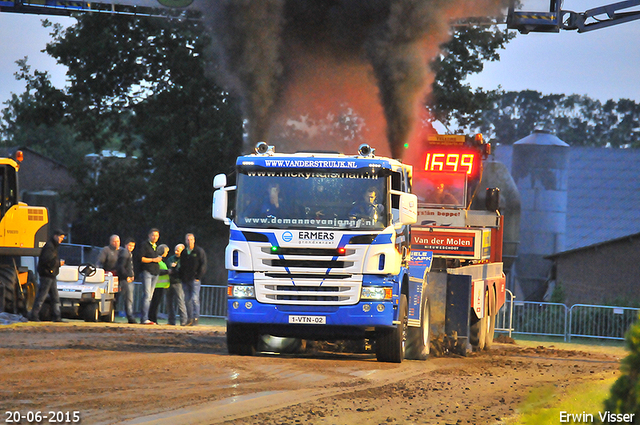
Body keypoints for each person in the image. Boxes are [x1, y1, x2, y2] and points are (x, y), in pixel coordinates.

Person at [29, 229, 66, 322]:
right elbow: (47, 260)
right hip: (47, 275)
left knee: (54, 297)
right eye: (61, 237)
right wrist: (58, 263)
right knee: (42, 296)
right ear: (55, 236)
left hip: (50, 274)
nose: (61, 239)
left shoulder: (52, 246)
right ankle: (34, 315)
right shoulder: (50, 247)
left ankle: (56, 316)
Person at [180, 233, 207, 326]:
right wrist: (181, 277)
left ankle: (196, 318)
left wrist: (198, 277)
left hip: (194, 279)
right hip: (185, 279)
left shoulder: (199, 251)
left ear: (194, 240)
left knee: (194, 299)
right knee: (187, 299)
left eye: (191, 239)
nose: (189, 241)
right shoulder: (183, 252)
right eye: (187, 239)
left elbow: (203, 265)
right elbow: (182, 266)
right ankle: (189, 318)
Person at [139, 228, 163, 325]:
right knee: (147, 295)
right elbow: (141, 258)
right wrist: (153, 260)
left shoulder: (156, 246)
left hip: (155, 273)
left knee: (150, 296)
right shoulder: (144, 245)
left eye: (157, 236)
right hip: (147, 271)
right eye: (153, 235)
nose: (155, 237)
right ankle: (144, 318)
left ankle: (148, 317)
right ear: (149, 235)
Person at [116, 237, 136, 324]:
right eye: (129, 245)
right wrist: (127, 276)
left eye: (133, 246)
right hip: (125, 280)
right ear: (125, 245)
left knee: (124, 298)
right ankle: (130, 317)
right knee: (128, 298)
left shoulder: (128, 253)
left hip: (127, 278)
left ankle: (130, 316)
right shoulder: (125, 253)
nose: (131, 247)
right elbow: (121, 267)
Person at [166, 243, 188, 326]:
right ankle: (171, 320)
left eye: (178, 250)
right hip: (169, 282)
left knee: (180, 302)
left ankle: (183, 320)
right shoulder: (171, 259)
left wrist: (175, 269)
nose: (176, 252)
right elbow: (168, 268)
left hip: (178, 282)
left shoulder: (184, 259)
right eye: (175, 250)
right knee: (169, 303)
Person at [148, 244, 170, 324]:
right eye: (166, 251)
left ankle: (153, 318)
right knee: (155, 303)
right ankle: (152, 319)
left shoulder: (161, 261)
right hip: (157, 285)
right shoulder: (158, 261)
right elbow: (157, 271)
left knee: (156, 303)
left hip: (161, 286)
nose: (167, 253)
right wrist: (168, 272)